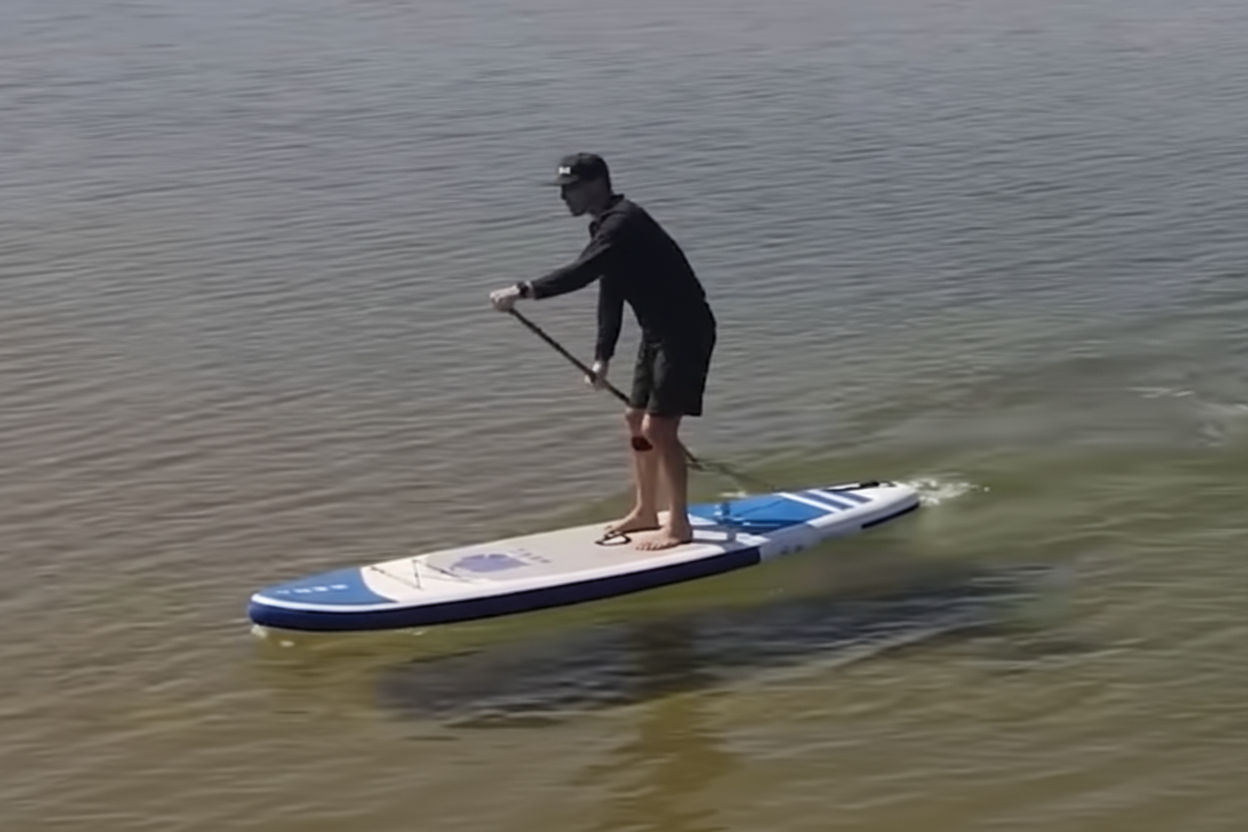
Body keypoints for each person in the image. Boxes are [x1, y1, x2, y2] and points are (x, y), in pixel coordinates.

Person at [490, 152, 717, 551]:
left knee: (659, 429)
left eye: (570, 189)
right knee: (635, 419)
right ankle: (646, 511)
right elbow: (609, 292)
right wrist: (602, 357)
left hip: (686, 331)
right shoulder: (604, 227)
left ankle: (679, 525)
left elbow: (580, 273)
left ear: (596, 185)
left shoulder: (623, 223)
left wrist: (524, 290)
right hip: (658, 332)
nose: (564, 198)